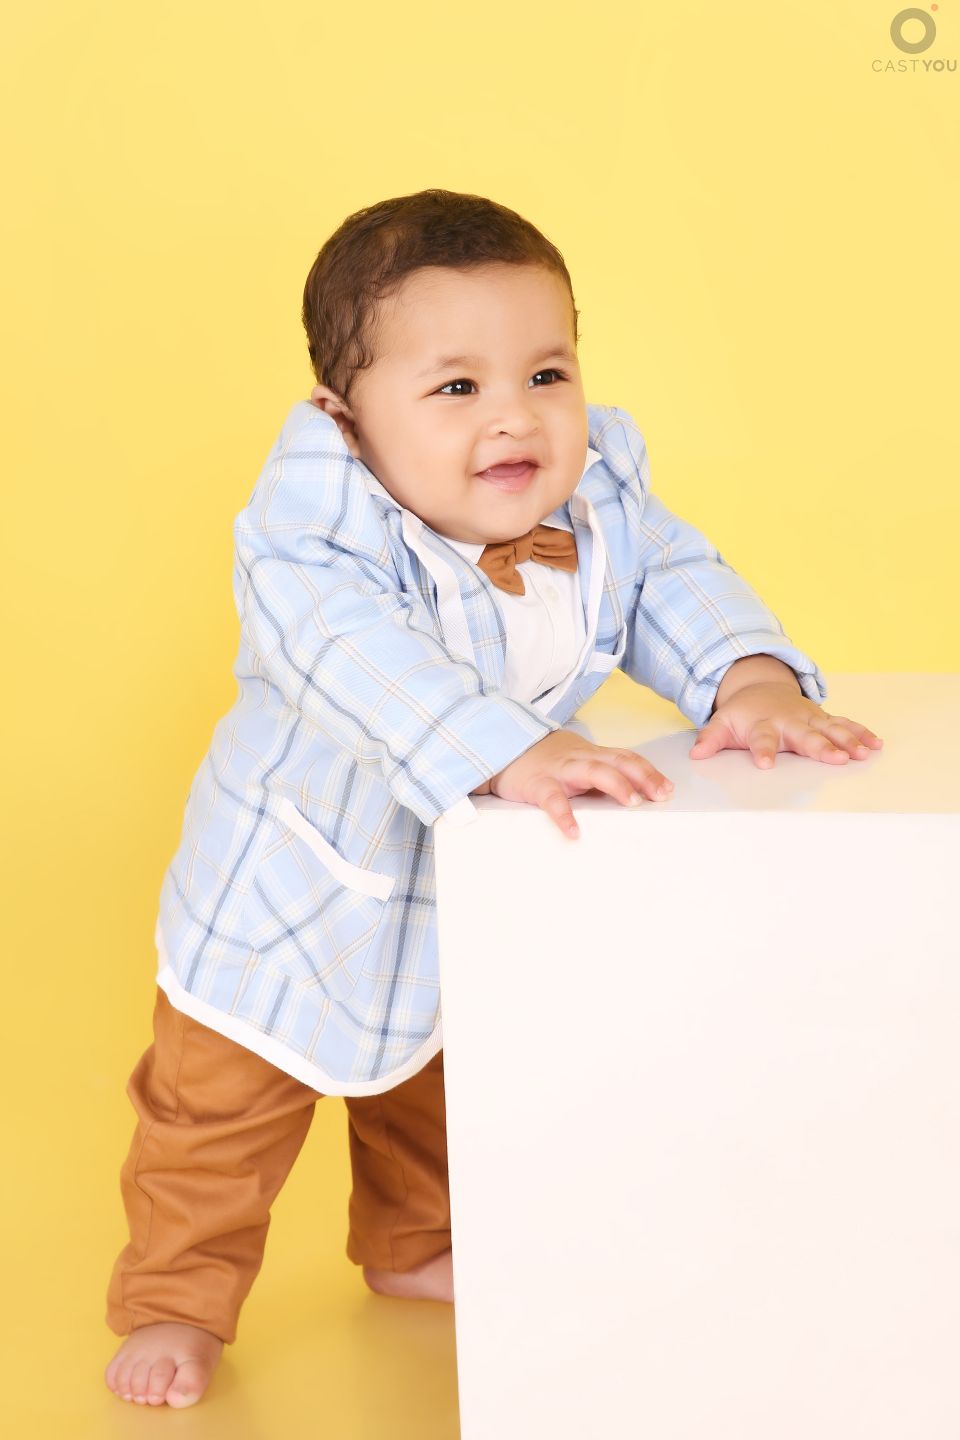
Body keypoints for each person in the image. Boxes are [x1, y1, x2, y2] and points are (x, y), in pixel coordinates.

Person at [104, 188, 882, 1409]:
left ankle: (412, 1246)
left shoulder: (598, 493)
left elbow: (671, 579)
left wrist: (751, 677)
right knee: (217, 1118)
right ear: (347, 419)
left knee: (439, 1089)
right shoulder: (307, 539)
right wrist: (507, 748)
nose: (515, 415)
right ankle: (174, 1298)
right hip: (294, 894)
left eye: (547, 373)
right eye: (457, 387)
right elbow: (349, 653)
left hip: (464, 888)